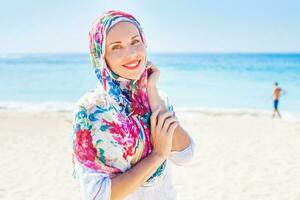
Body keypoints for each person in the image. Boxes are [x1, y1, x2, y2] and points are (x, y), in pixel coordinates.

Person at [71, 10, 195, 200]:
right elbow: (97, 195)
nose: (131, 54)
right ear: (101, 56)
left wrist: (151, 91)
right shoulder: (90, 110)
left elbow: (185, 155)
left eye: (135, 42)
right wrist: (158, 155)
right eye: (116, 47)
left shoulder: (158, 99)